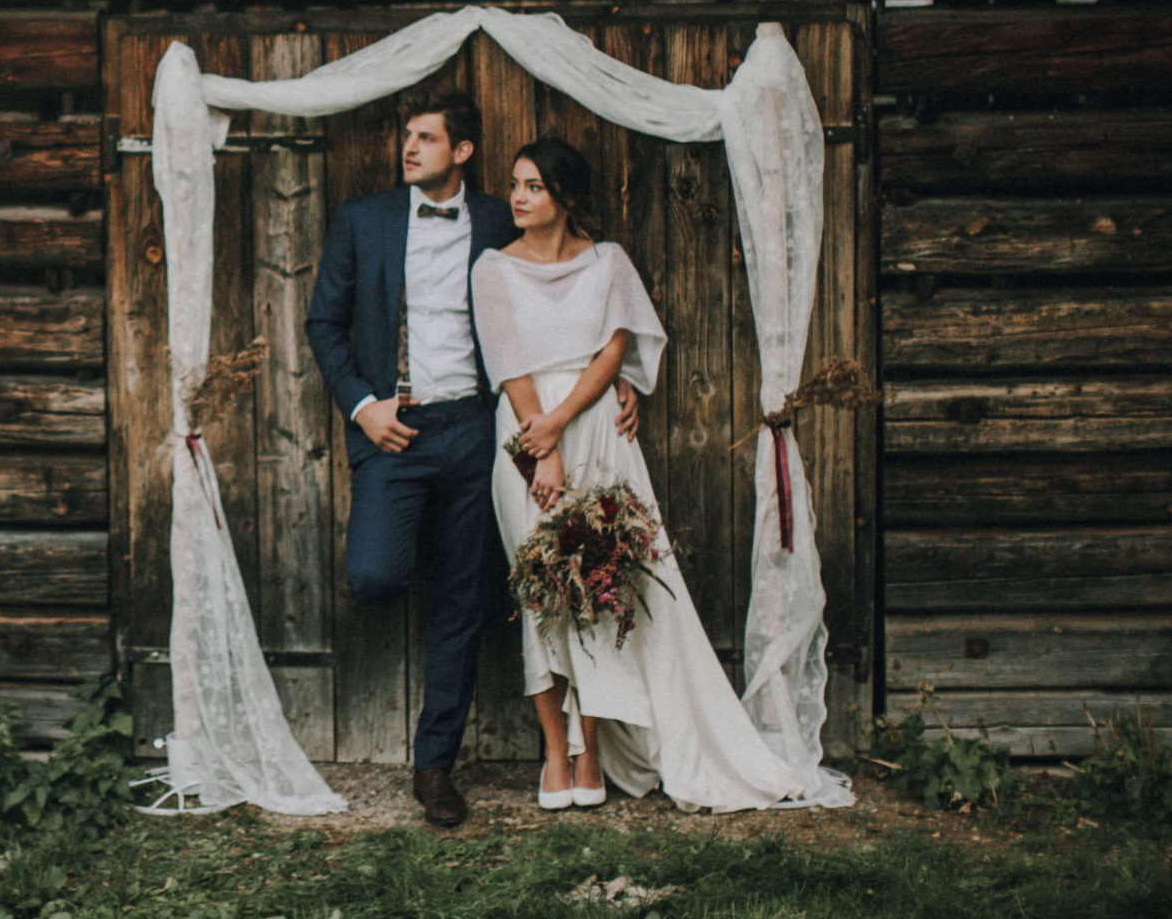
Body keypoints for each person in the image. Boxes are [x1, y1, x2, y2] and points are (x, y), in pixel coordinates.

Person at [301, 92, 638, 826]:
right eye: (406, 138)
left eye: (426, 138)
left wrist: (630, 381)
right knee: (377, 574)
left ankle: (435, 767)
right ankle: (435, 551)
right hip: (397, 426)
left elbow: (577, 296)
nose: (409, 148)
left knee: (462, 601)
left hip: (480, 430)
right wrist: (364, 404)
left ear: (462, 150)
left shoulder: (498, 214)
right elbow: (323, 322)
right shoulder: (364, 219)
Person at [477, 135, 822, 813]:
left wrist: (572, 416)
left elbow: (615, 347)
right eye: (515, 183)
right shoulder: (492, 267)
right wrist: (541, 442)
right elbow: (508, 359)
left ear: (564, 197)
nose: (517, 196)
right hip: (524, 429)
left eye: (533, 186)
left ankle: (591, 749)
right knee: (543, 587)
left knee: (604, 581)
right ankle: (554, 747)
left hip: (598, 427)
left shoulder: (608, 262)